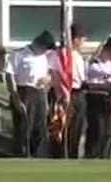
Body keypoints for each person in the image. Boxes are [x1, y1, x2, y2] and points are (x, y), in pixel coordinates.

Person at [4, 30, 56, 157]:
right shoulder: (19, 54)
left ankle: (36, 153)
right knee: (24, 126)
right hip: (24, 90)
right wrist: (15, 95)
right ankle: (21, 153)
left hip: (39, 91)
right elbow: (9, 75)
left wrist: (47, 79)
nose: (46, 51)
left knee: (39, 125)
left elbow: (49, 74)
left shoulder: (44, 57)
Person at [48, 23, 87, 159]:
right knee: (62, 127)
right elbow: (55, 74)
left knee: (76, 128)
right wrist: (62, 93)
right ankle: (59, 155)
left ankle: (72, 155)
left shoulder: (78, 57)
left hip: (78, 93)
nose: (84, 43)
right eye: (82, 39)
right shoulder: (60, 54)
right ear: (75, 39)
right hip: (62, 93)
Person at [84, 37, 111, 159]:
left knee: (106, 130)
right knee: (97, 129)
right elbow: (91, 82)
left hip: (108, 99)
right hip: (96, 98)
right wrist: (109, 85)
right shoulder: (95, 64)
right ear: (106, 50)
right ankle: (91, 155)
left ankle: (102, 155)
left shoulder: (110, 65)